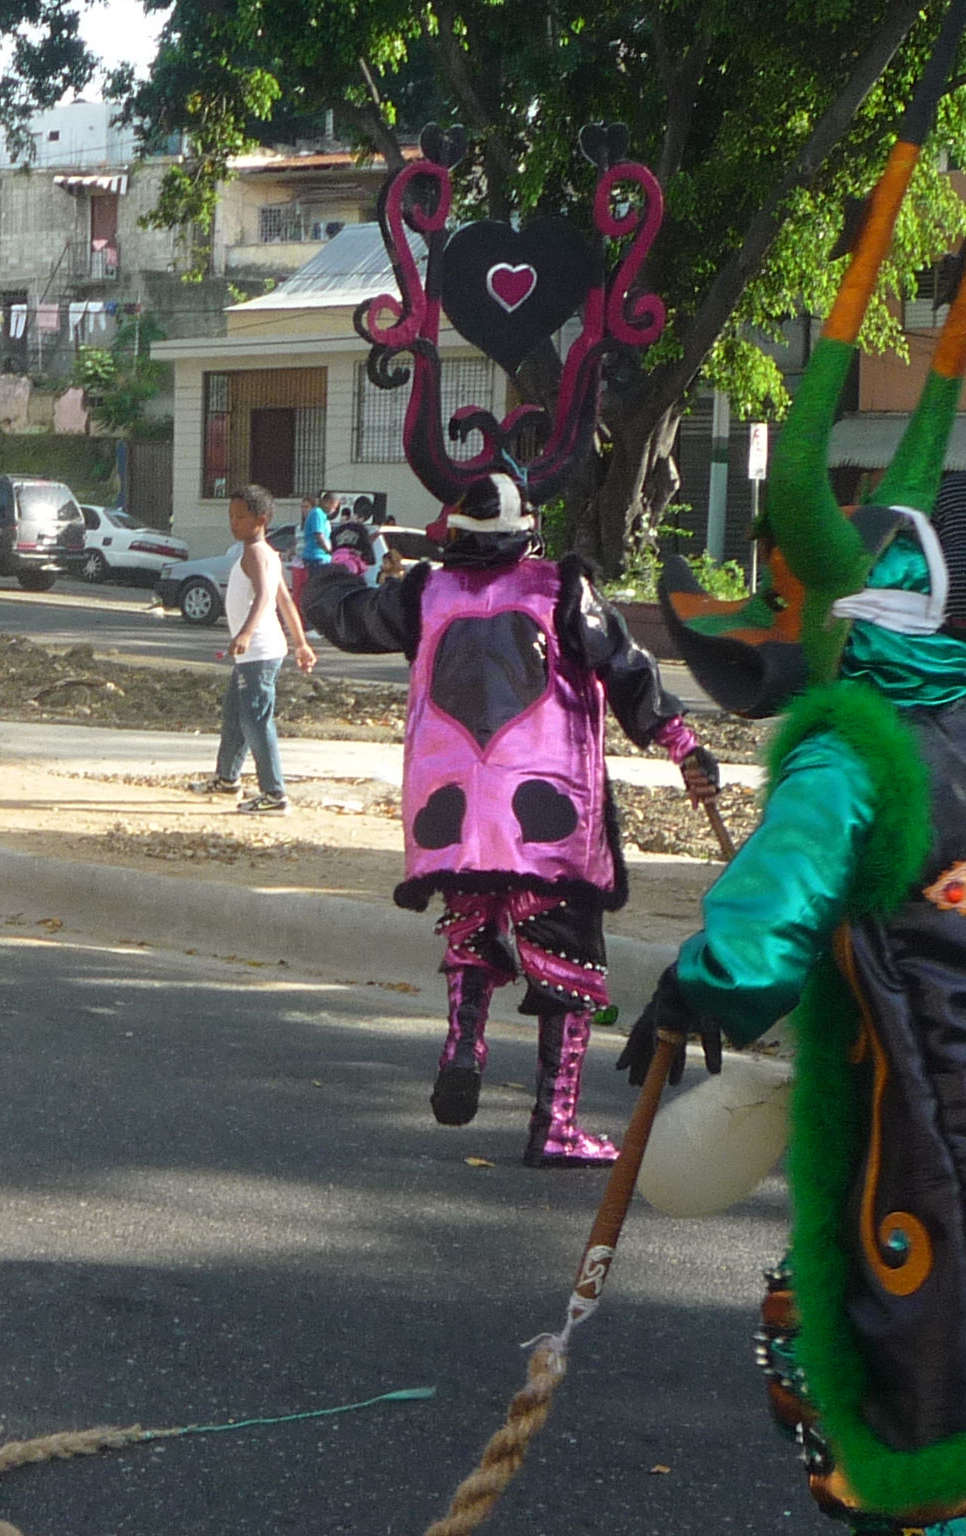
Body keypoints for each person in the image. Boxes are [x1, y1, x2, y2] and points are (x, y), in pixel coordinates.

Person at [620, 77, 966, 1532]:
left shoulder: (867, 732)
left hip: (930, 1081)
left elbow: (793, 868)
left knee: (862, 1333)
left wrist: (710, 982)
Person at [302, 127, 713, 1169]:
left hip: (456, 817)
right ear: (523, 531)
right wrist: (684, 752)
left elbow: (349, 620)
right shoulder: (558, 587)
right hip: (549, 821)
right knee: (566, 964)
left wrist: (329, 566)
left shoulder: (428, 590)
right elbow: (626, 674)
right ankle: (554, 1121)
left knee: (474, 941)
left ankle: (459, 1048)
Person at [187, 485, 317, 813]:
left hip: (258, 651)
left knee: (256, 721)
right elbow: (285, 601)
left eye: (241, 517)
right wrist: (300, 643)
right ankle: (227, 779)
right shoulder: (268, 553)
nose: (233, 522)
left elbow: (263, 598)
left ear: (260, 520)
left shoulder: (257, 553)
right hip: (255, 653)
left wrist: (244, 633)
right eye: (231, 516)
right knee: (234, 714)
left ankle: (275, 794)